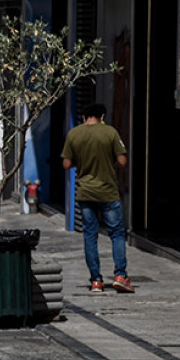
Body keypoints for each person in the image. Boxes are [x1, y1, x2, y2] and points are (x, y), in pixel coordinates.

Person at [61, 103, 133, 293]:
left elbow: (66, 164)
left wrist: (81, 162)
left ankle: (96, 280)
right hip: (108, 192)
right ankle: (120, 276)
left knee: (90, 236)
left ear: (84, 116)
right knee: (116, 234)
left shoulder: (74, 134)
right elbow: (122, 161)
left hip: (85, 192)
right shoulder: (110, 132)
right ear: (102, 116)